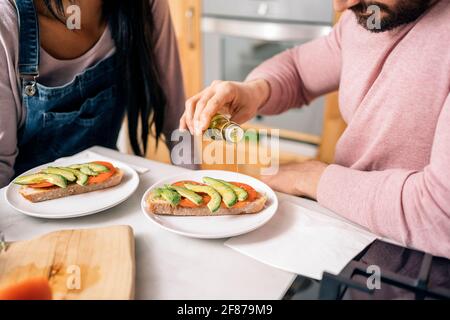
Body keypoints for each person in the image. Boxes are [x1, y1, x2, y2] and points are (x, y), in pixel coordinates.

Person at [180, 0, 450, 259]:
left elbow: (440, 214)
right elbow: (298, 69)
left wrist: (312, 177)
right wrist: (256, 91)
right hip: (349, 233)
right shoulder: (368, 16)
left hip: (418, 258)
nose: (341, 5)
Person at [0, 0, 185, 187]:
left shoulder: (146, 4)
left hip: (110, 197)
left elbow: (178, 120)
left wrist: (195, 183)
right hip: (26, 211)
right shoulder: (6, 19)